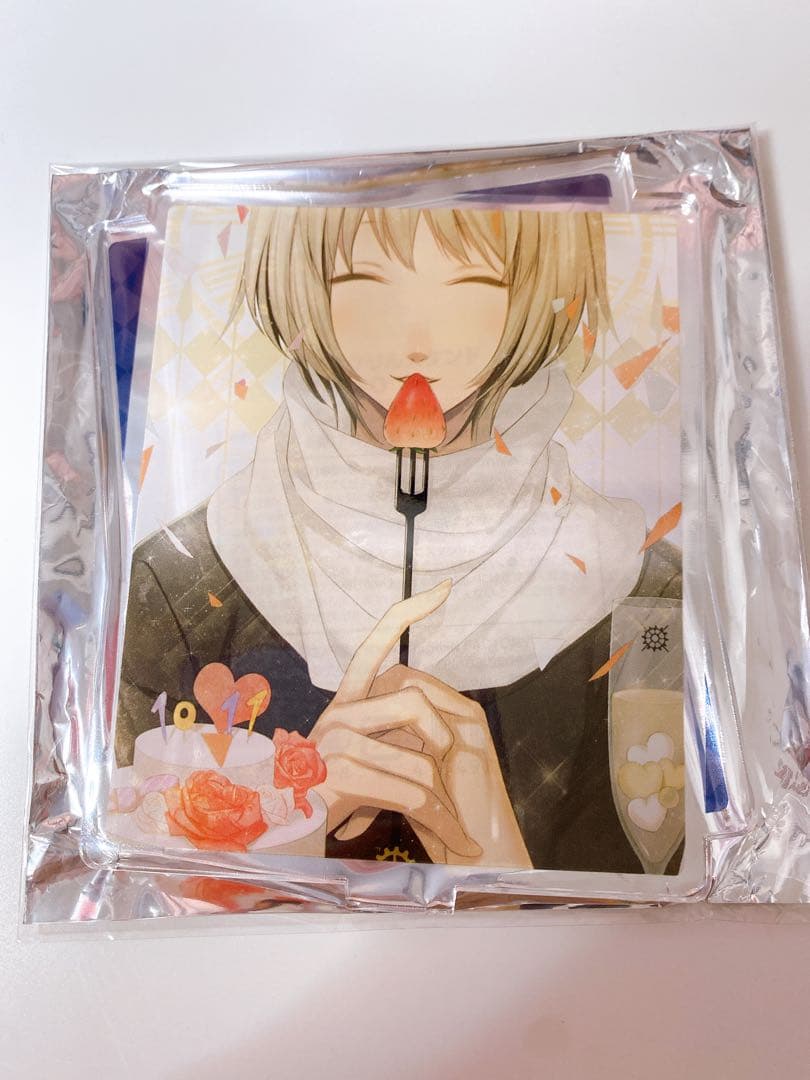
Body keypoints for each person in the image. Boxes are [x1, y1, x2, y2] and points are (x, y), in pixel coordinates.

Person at [117, 205, 681, 872]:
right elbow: (131, 889)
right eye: (362, 280)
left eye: (474, 284)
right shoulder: (177, 589)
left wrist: (499, 866)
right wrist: (292, 824)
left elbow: (674, 910)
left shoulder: (648, 597)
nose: (417, 341)